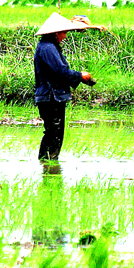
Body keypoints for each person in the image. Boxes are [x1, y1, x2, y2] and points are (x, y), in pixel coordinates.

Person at [33, 12, 95, 161]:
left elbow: (58, 73)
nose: (65, 36)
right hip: (51, 96)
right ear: (55, 33)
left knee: (54, 132)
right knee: (54, 132)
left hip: (52, 95)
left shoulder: (49, 46)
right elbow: (61, 71)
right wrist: (80, 76)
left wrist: (81, 79)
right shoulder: (48, 48)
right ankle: (48, 164)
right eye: (64, 32)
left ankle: (47, 163)